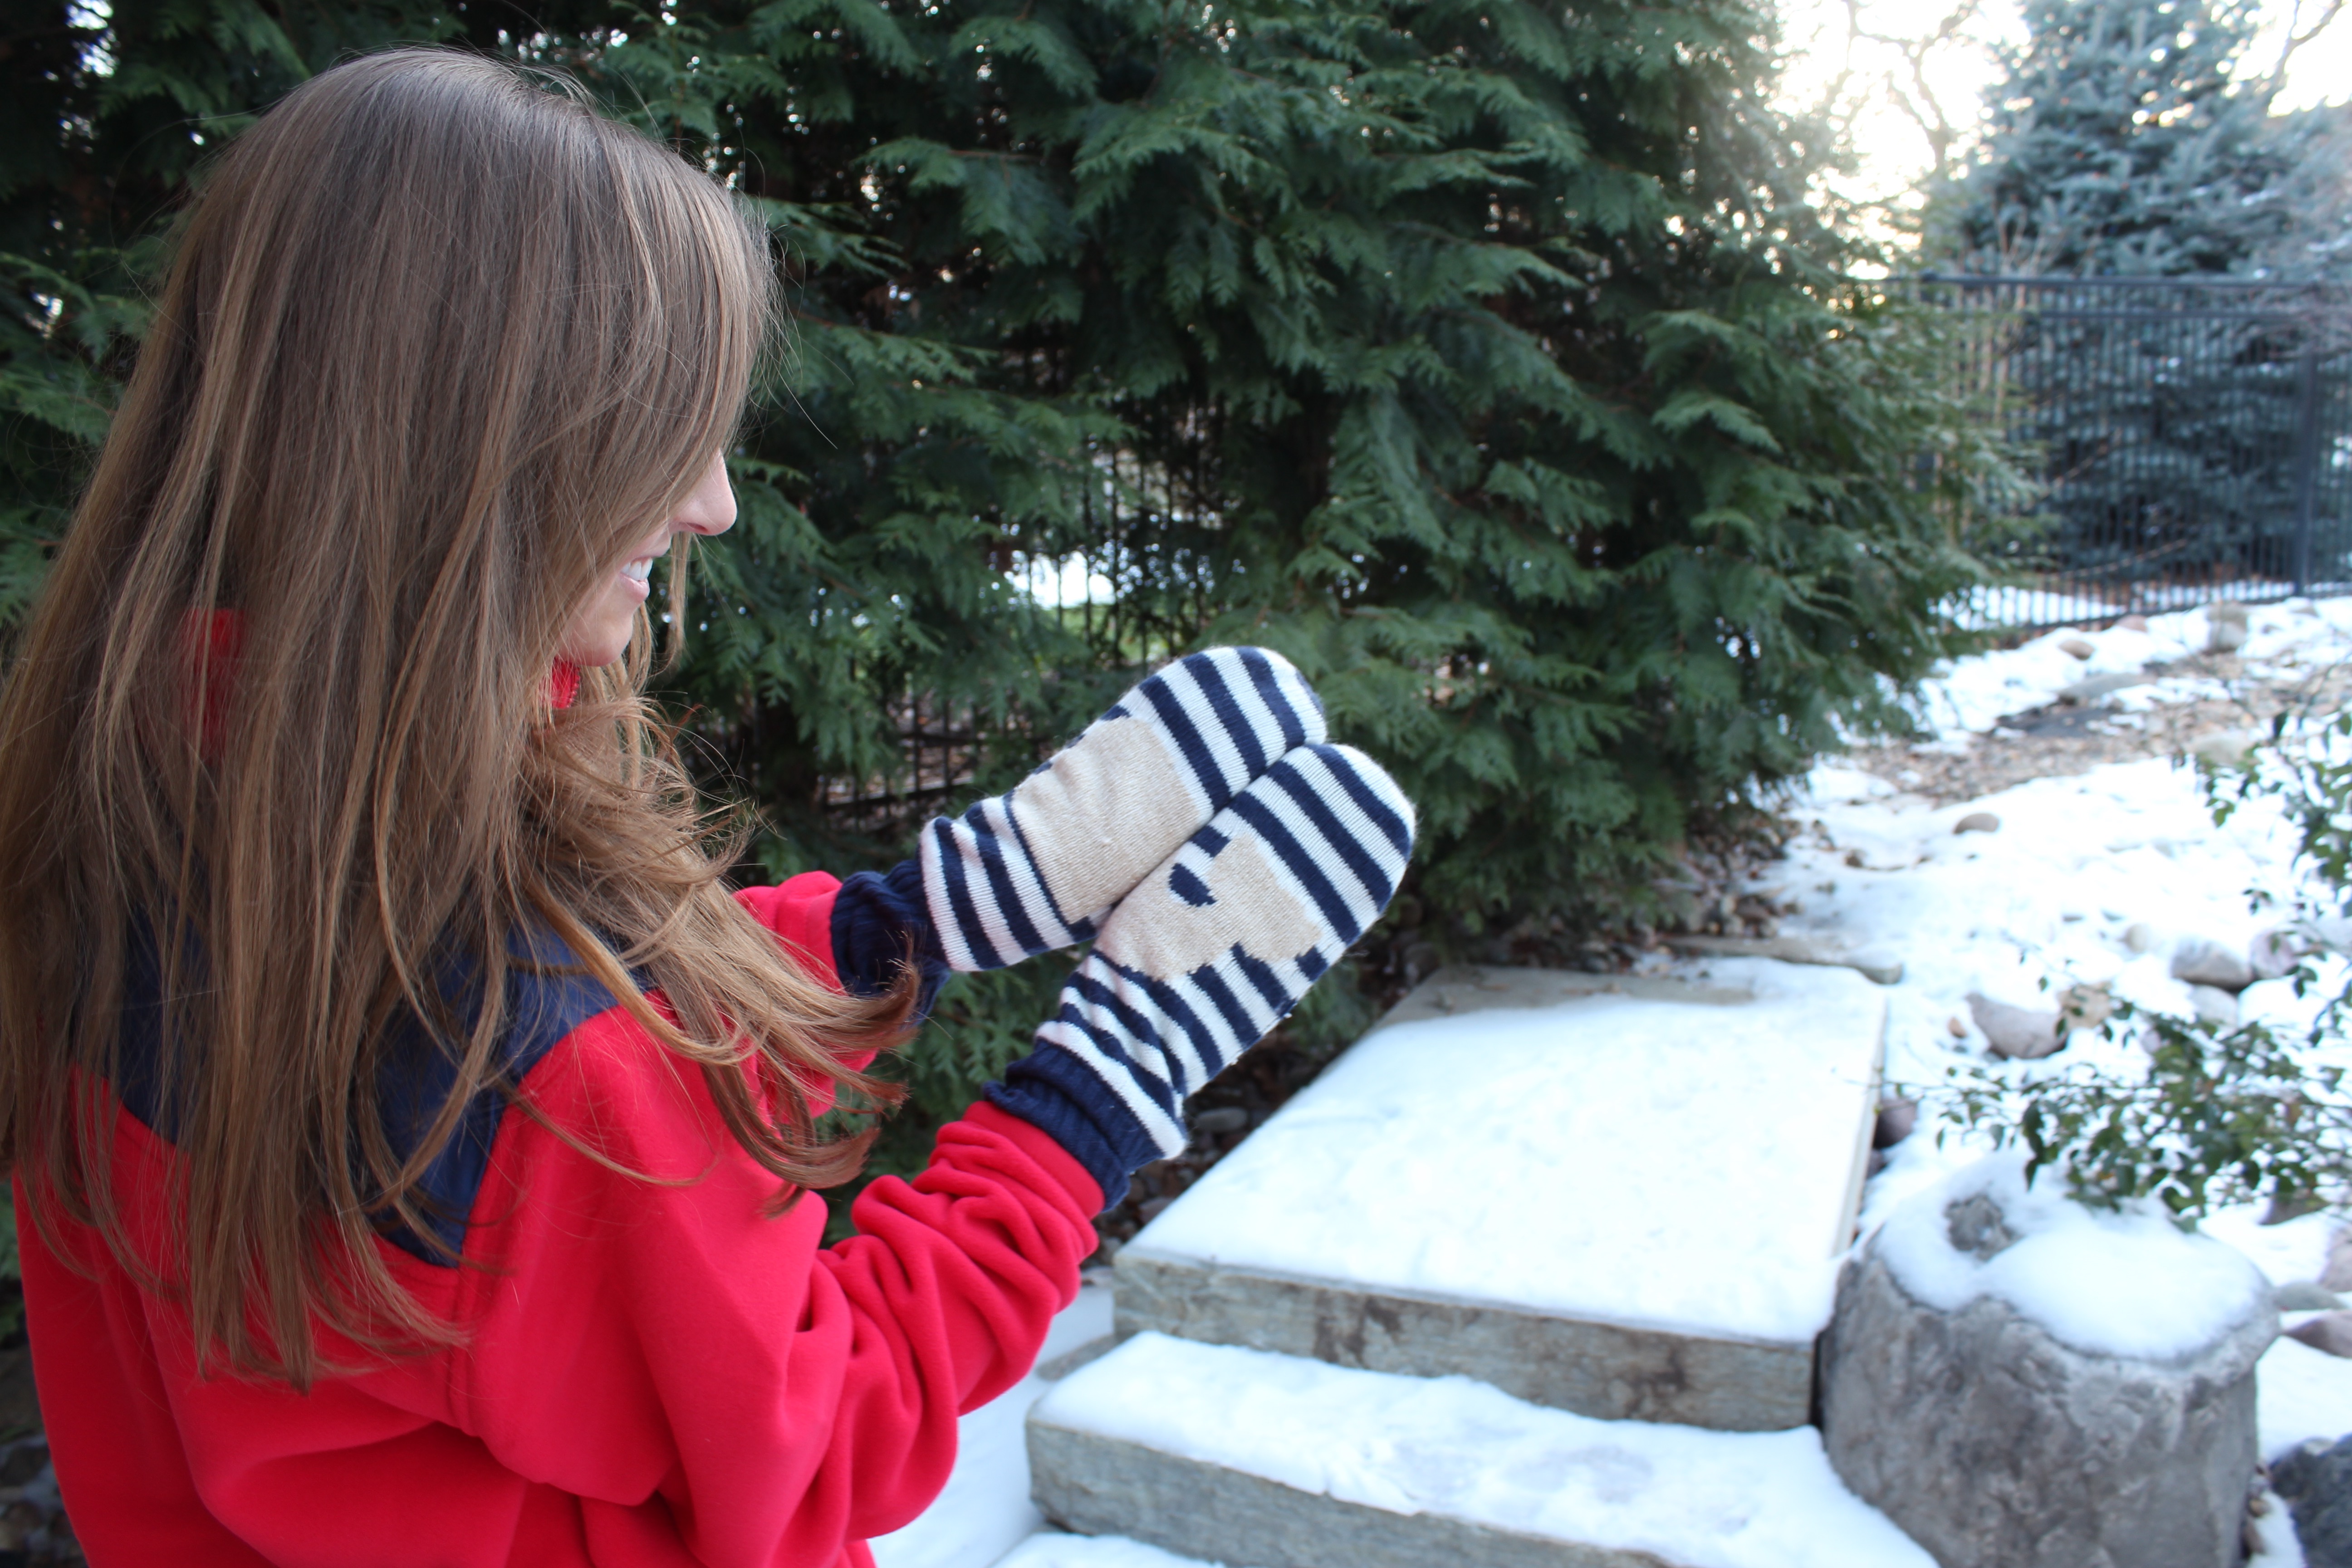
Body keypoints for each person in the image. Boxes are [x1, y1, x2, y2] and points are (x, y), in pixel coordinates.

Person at [0, 47, 1415, 1568]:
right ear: (478, 455)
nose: (714, 503)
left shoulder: (133, 817)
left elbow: (602, 1088)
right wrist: (1099, 1090)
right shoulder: (537, 1055)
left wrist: (915, 921)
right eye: (659, 431)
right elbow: (820, 1436)